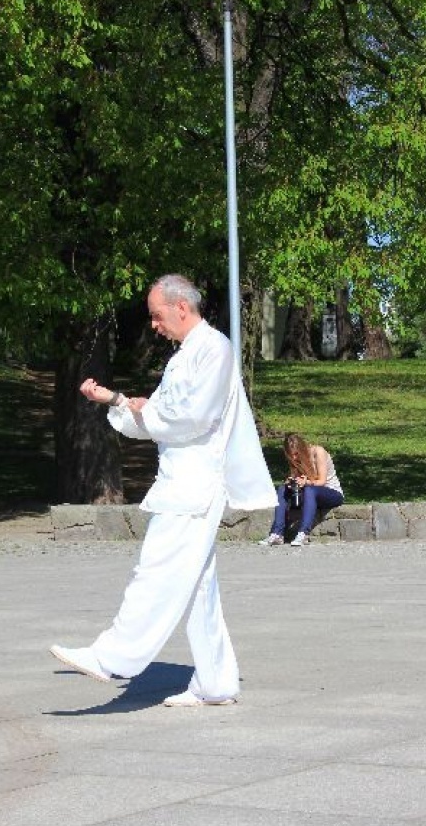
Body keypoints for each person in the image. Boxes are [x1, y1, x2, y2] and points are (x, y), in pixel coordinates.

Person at [50, 274, 277, 706]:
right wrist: (119, 403)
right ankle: (215, 683)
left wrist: (138, 408)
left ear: (181, 307)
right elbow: (162, 419)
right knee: (196, 587)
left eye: (156, 315)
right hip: (180, 480)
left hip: (195, 485)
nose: (153, 325)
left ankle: (112, 656)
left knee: (154, 571)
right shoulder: (186, 356)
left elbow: (191, 417)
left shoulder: (214, 349)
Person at [259, 432, 344, 547]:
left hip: (331, 493)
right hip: (310, 495)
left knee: (309, 489)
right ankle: (277, 533)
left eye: (296, 454)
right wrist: (291, 482)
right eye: (291, 455)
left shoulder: (318, 452)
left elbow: (322, 481)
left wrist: (306, 482)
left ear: (303, 448)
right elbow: (297, 479)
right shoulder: (295, 460)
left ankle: (303, 533)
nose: (294, 457)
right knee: (282, 488)